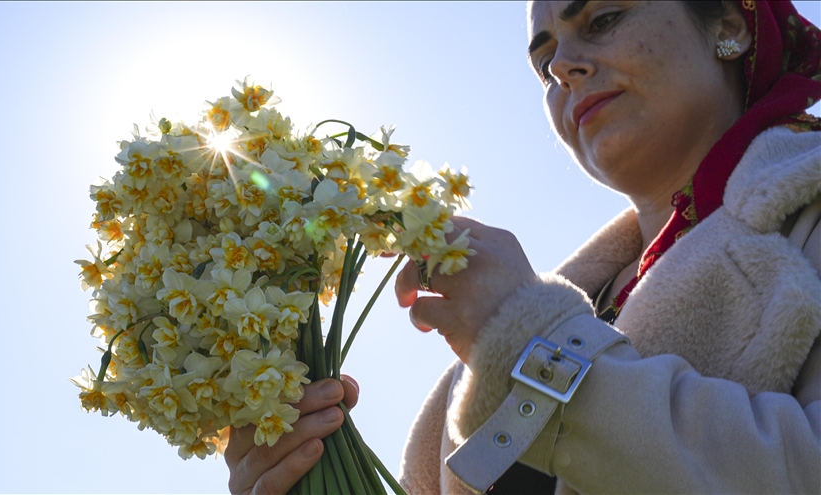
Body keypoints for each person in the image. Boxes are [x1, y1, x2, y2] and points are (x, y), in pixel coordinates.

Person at [226, 1, 821, 493]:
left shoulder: (807, 216)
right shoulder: (556, 304)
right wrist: (307, 476)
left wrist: (538, 347)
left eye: (603, 19)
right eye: (543, 62)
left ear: (729, 26)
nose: (561, 66)